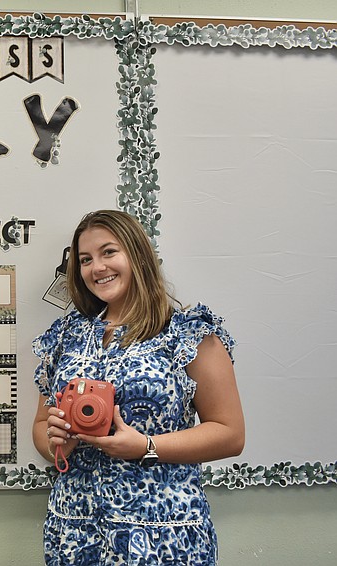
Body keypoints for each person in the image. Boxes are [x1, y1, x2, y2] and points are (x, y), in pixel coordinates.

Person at [31, 210, 244, 565]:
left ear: (139, 254)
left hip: (164, 534)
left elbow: (230, 433)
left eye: (109, 252)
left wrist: (145, 446)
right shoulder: (66, 336)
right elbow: (42, 427)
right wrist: (58, 442)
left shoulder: (187, 333)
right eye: (85, 259)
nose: (96, 267)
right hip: (76, 533)